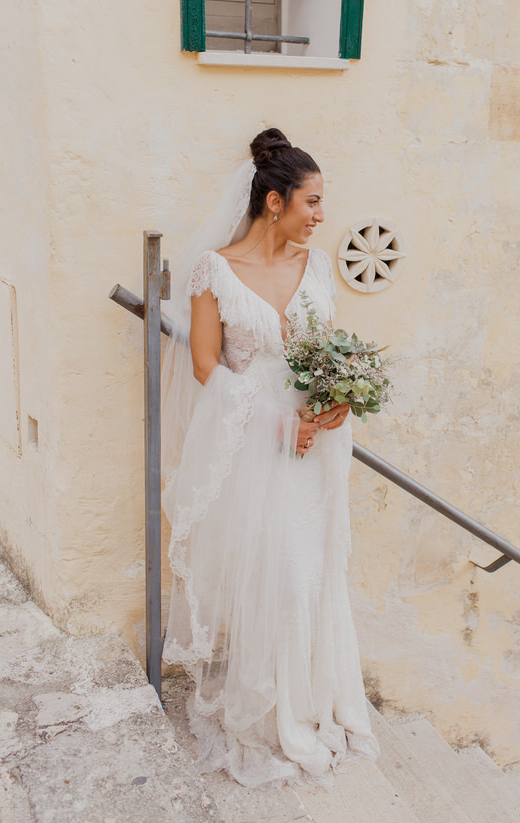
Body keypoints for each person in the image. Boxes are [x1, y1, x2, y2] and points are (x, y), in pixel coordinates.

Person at [161, 128, 379, 788]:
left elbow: (328, 349)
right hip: (255, 437)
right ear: (275, 201)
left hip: (317, 441)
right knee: (279, 571)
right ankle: (276, 711)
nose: (322, 216)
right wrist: (273, 418)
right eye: (313, 202)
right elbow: (205, 365)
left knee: (315, 567)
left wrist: (336, 400)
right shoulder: (214, 271)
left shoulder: (316, 268)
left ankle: (315, 700)